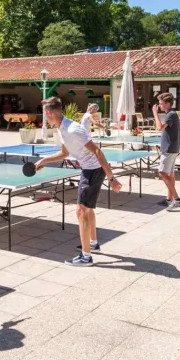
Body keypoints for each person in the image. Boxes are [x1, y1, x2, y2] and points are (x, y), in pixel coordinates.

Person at [34, 97, 122, 266]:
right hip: (88, 169)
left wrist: (111, 178)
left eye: (45, 113)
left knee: (81, 211)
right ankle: (93, 244)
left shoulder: (73, 129)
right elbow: (64, 154)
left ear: (49, 113)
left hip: (93, 170)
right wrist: (43, 161)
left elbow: (97, 151)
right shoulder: (61, 129)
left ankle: (86, 257)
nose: (44, 117)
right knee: (87, 210)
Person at [152, 93, 180, 209]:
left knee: (162, 173)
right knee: (170, 174)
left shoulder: (171, 114)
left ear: (168, 104)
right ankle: (168, 199)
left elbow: (159, 127)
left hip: (169, 149)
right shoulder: (171, 114)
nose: (159, 106)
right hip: (171, 147)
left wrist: (155, 113)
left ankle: (177, 199)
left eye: (161, 104)